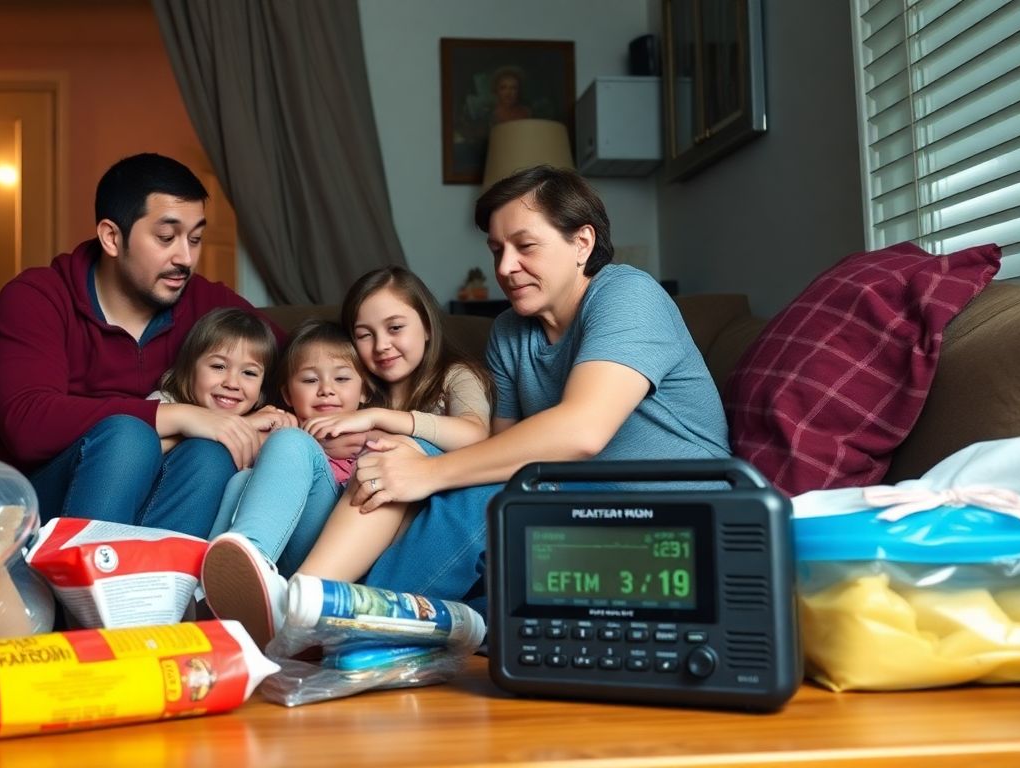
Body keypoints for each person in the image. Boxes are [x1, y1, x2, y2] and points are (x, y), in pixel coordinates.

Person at [347, 165, 731, 610]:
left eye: (525, 246)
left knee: (479, 498)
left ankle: (349, 622)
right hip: (579, 516)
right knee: (482, 598)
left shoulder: (628, 294)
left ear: (581, 243)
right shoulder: (510, 331)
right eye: (497, 250)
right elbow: (503, 448)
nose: (506, 268)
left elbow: (582, 431)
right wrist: (415, 454)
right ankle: (366, 631)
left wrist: (428, 473)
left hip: (677, 524)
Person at [0, 153, 281, 538]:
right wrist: (180, 416)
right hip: (45, 507)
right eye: (166, 238)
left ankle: (154, 595)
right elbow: (27, 423)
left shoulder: (206, 303)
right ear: (111, 237)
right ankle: (79, 592)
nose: (186, 258)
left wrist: (275, 419)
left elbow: (308, 362)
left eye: (195, 239)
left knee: (211, 454)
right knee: (129, 437)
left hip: (159, 499)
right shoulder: (38, 296)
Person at [296, 266, 494, 581]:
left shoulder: (456, 375)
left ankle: (307, 590)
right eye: (364, 334)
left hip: (424, 523)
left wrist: (378, 419)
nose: (381, 345)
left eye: (395, 328)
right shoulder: (356, 389)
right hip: (349, 523)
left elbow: (476, 435)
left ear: (427, 326)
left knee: (391, 455)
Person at [202, 319, 376, 648]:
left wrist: (366, 432)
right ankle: (211, 590)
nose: (326, 389)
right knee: (243, 480)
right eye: (310, 380)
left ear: (364, 389)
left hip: (333, 553)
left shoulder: (373, 433)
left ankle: (246, 563)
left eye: (341, 378)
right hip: (285, 559)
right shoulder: (280, 428)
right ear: (287, 393)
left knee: (291, 442)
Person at [149, 307, 295, 454]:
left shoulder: (262, 419)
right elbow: (142, 450)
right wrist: (245, 425)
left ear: (262, 387)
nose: (232, 384)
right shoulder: (165, 403)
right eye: (218, 366)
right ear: (189, 368)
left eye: (249, 372)